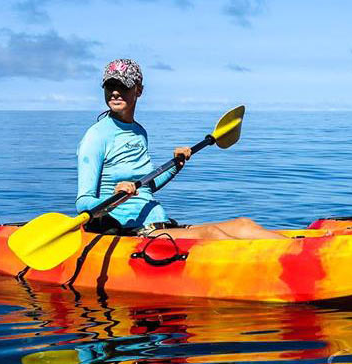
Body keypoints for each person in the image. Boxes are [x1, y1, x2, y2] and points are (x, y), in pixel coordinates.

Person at [77, 58, 285, 240]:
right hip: (130, 231)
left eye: (122, 86)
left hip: (159, 223)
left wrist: (176, 164)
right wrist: (117, 196)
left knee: (244, 225)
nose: (115, 92)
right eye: (109, 86)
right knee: (212, 235)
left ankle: (304, 250)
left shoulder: (139, 132)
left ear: (138, 90)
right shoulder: (96, 136)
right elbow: (84, 203)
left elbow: (148, 185)